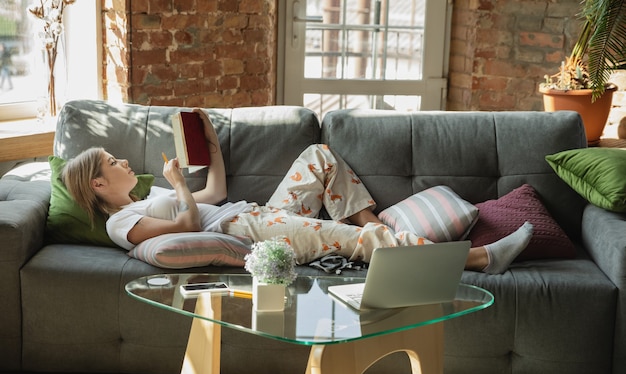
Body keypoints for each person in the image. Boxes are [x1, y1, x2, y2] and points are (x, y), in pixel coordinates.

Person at [63, 109, 533, 274]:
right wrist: (180, 187)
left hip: (255, 213)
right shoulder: (120, 221)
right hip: (248, 233)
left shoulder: (143, 201)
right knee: (355, 244)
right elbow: (186, 225)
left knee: (318, 155)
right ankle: (477, 258)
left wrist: (208, 141)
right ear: (98, 185)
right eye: (112, 162)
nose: (123, 162)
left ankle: (373, 220)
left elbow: (218, 190)